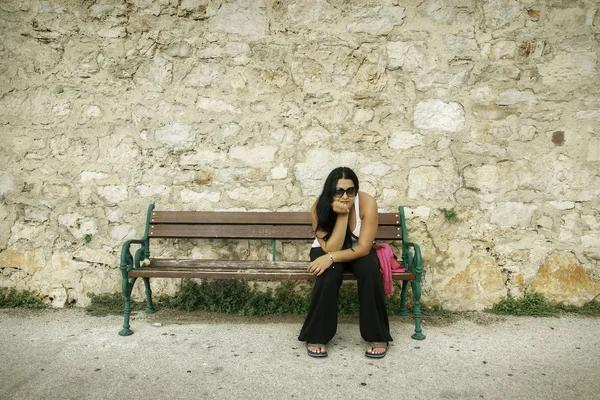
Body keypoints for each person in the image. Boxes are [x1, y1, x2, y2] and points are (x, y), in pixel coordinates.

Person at [298, 167, 392, 358]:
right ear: (330, 190)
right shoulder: (319, 206)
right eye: (339, 191)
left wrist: (331, 258)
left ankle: (377, 334)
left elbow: (364, 248)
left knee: (370, 270)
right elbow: (331, 247)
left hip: (358, 249)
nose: (345, 196)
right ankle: (317, 335)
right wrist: (342, 216)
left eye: (350, 191)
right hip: (327, 248)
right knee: (328, 272)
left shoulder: (367, 203)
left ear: (356, 190)